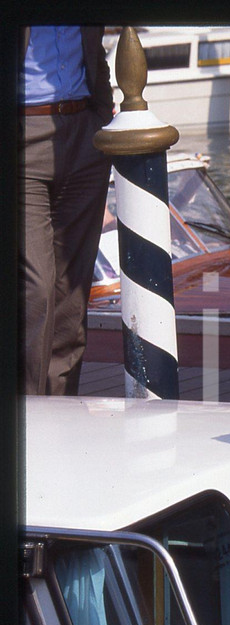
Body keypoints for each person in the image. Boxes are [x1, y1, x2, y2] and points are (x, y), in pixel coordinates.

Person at [20, 26, 113, 395]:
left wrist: (102, 116)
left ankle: (59, 409)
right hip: (23, 130)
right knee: (35, 289)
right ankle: (25, 415)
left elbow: (95, 51)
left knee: (72, 295)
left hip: (84, 131)